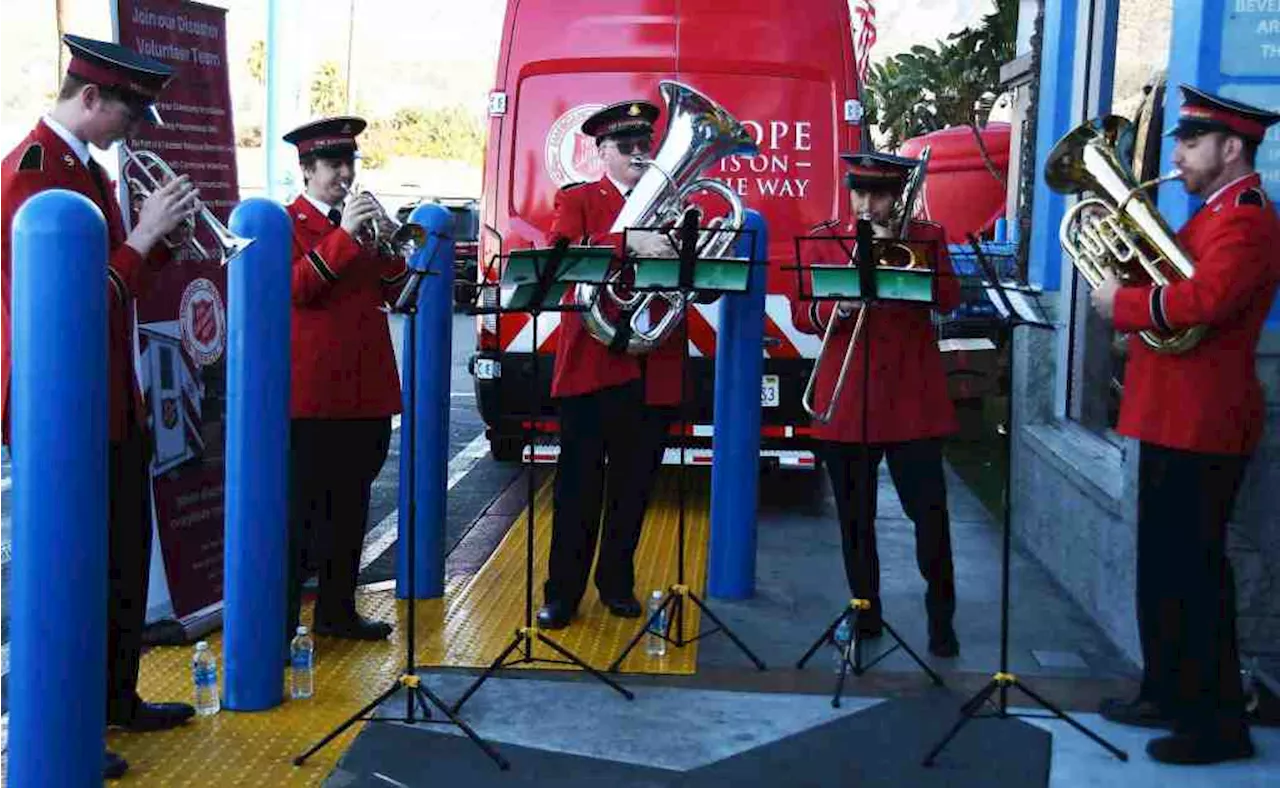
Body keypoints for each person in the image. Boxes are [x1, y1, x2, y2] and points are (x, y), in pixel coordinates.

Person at [0, 34, 201, 780]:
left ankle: (118, 696)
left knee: (121, 557)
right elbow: (67, 302)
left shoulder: (85, 170)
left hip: (114, 396)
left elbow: (122, 286)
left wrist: (160, 242)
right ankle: (75, 716)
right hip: (65, 407)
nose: (135, 130)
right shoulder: (34, 174)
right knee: (78, 567)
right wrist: (142, 234)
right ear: (90, 98)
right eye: (131, 113)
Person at [1088, 86, 1280, 765]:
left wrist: (1125, 303)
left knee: (1196, 576)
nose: (1175, 155)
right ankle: (1165, 691)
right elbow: (1172, 275)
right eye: (1177, 141)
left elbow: (1207, 298)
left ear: (1232, 148)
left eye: (1189, 142)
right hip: (1170, 413)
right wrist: (1123, 268)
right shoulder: (1209, 213)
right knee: (1161, 568)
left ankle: (1217, 725)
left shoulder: (1248, 217)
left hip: (1205, 419)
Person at [792, 151, 961, 658]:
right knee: (854, 518)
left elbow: (949, 299)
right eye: (859, 192)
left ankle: (941, 617)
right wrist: (836, 305)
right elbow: (803, 310)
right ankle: (866, 610)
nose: (867, 204)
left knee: (929, 514)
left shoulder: (926, 237)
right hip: (847, 401)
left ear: (897, 195)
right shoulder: (826, 239)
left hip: (912, 400)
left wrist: (904, 251)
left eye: (880, 194)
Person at [536, 99, 683, 629]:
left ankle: (617, 584)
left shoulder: (676, 204)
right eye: (627, 147)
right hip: (591, 367)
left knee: (634, 488)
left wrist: (684, 251)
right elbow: (563, 257)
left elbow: (698, 287)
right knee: (578, 490)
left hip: (652, 369)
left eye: (646, 145)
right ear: (601, 153)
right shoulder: (578, 199)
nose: (639, 154)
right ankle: (562, 593)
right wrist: (633, 239)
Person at [283, 116, 408, 642]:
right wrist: (344, 235)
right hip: (313, 398)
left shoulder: (359, 227)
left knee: (353, 507)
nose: (344, 174)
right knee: (302, 516)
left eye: (348, 163)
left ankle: (336, 610)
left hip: (366, 392)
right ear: (307, 170)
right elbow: (298, 289)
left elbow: (397, 293)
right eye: (333, 164)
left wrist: (388, 246)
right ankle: (283, 622)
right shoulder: (286, 223)